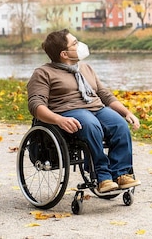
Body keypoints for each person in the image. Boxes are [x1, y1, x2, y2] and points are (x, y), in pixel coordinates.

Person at [27, 29, 142, 193]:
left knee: (119, 125)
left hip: (96, 108)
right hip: (68, 112)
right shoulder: (43, 73)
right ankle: (103, 177)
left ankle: (121, 173)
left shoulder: (86, 68)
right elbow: (36, 105)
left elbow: (104, 95)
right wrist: (58, 120)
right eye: (75, 43)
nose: (79, 45)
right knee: (90, 124)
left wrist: (126, 113)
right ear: (64, 54)